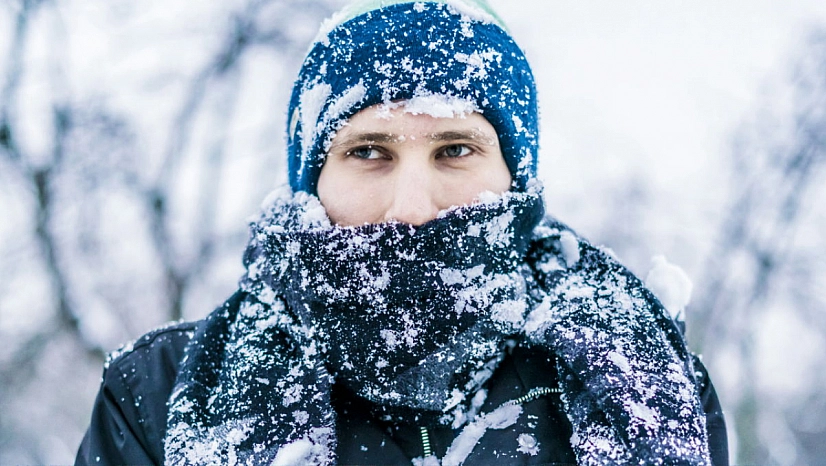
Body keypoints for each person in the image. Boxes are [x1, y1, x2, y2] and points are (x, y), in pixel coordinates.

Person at [76, 0, 728, 464]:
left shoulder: (641, 380)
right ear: (313, 178)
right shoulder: (158, 392)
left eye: (455, 150)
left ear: (514, 175)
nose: (411, 208)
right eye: (368, 151)